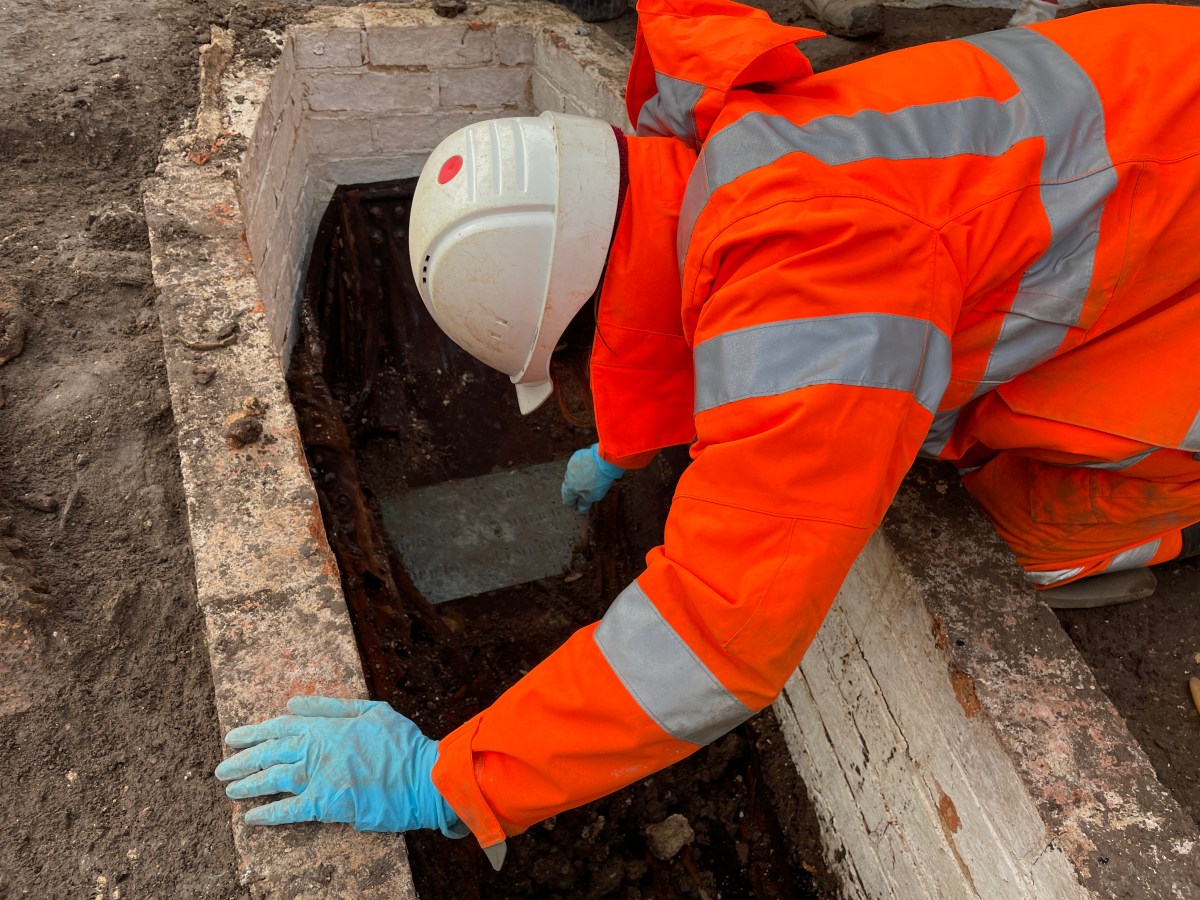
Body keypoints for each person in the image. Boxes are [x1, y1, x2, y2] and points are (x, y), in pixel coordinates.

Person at [215, 0, 1200, 870]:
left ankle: (1147, 535)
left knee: (1018, 519)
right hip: (1154, 124)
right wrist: (639, 441)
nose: (580, 393)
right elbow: (735, 326)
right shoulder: (742, 149)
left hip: (1172, 239)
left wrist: (451, 776)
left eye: (570, 368)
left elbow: (716, 637)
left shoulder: (814, 279)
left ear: (584, 316)